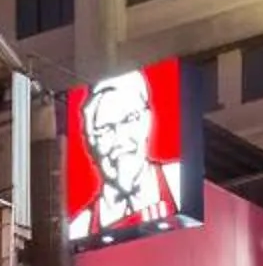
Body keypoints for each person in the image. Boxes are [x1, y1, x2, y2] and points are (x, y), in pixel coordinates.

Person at [68, 68, 184, 242]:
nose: (120, 139)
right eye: (106, 129)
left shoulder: (180, 182)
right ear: (90, 141)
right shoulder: (78, 229)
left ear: (147, 121)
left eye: (129, 120)